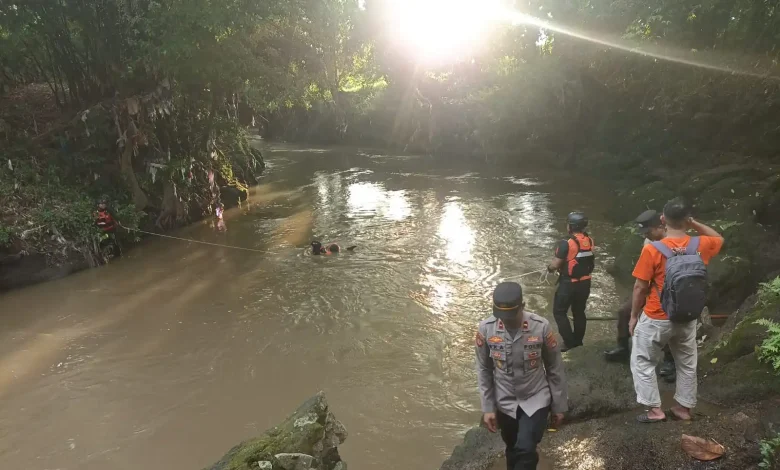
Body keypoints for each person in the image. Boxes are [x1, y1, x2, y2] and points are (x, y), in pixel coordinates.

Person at [629, 198, 723, 423]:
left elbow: (640, 287)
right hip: (687, 316)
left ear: (662, 219)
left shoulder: (652, 249)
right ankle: (683, 408)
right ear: (686, 220)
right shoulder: (699, 244)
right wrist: (694, 223)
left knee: (642, 361)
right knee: (687, 363)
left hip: (656, 316)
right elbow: (719, 238)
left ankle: (654, 410)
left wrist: (633, 316)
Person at [476, 282, 568, 470]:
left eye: (511, 315)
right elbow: (484, 369)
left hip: (535, 398)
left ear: (522, 306)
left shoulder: (540, 327)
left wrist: (559, 406)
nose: (507, 321)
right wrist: (488, 408)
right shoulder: (486, 329)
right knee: (512, 447)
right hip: (505, 401)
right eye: (502, 316)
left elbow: (554, 367)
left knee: (525, 448)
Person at [604, 210, 667, 362]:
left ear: (661, 226)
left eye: (648, 231)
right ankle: (623, 348)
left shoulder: (674, 242)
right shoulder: (648, 243)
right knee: (624, 312)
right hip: (650, 286)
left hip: (667, 291)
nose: (645, 235)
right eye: (644, 232)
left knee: (666, 322)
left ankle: (670, 361)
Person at [547, 212, 594, 352]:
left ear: (570, 227)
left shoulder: (565, 243)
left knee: (559, 312)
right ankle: (578, 342)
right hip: (585, 283)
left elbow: (555, 265)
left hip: (569, 284)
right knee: (579, 311)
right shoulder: (590, 240)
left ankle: (569, 342)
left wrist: (549, 268)